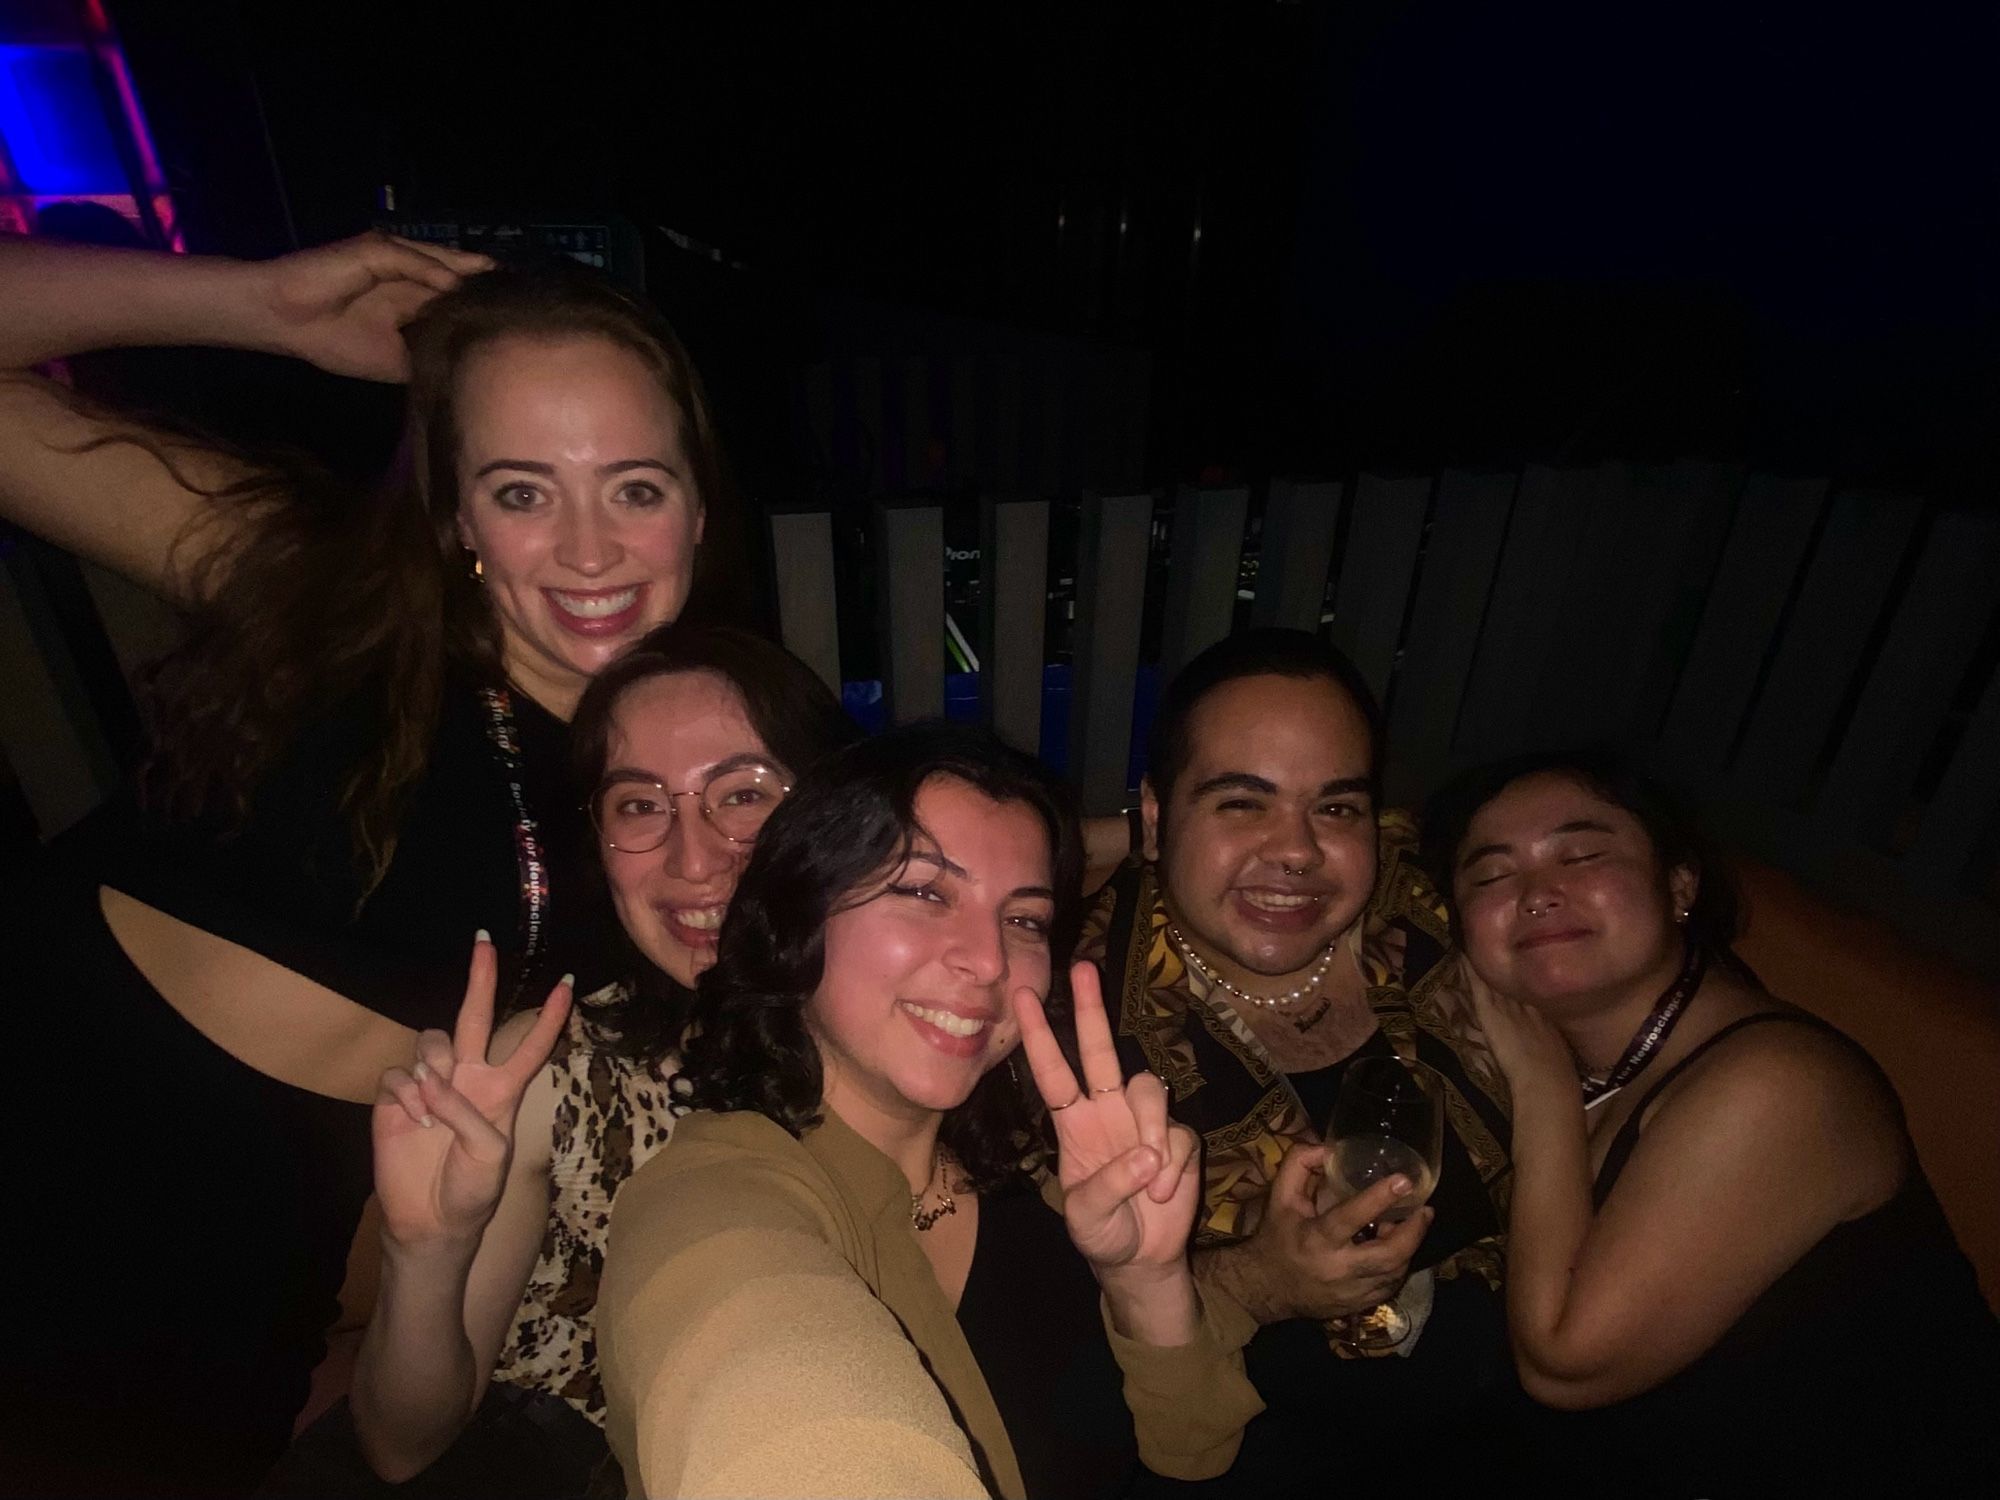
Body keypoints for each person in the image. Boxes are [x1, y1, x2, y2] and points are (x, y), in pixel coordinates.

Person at [0, 233, 732, 1494]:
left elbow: (908, 844)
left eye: (633, 487)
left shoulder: (686, 764)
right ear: (456, 515)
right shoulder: (320, 587)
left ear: (696, 504)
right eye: (520, 491)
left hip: (233, 1264)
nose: (590, 551)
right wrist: (253, 302)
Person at [258, 625, 858, 1496]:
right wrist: (425, 1250)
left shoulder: (916, 1033)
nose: (693, 860)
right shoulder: (547, 1066)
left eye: (743, 796)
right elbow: (401, 1447)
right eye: (640, 805)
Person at [598, 722, 1267, 1498]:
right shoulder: (712, 1195)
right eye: (923, 891)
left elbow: (1196, 1449)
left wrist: (1144, 1283)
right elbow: (762, 1378)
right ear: (798, 916)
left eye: (1023, 920)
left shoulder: (1041, 1167)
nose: (986, 961)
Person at [1425, 750, 2000, 1496]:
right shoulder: (1606, 1044)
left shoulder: (1779, 1085)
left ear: (1679, 885)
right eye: (1492, 874)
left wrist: (1542, 1088)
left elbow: (1565, 1363)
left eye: (1583, 854)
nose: (1536, 893)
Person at [1080, 627, 1521, 1492]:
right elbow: (1065, 1352)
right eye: (1242, 802)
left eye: (1335, 807)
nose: (1298, 850)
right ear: (1160, 814)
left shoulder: (1432, 896)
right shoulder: (1079, 1026)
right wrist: (1263, 1280)